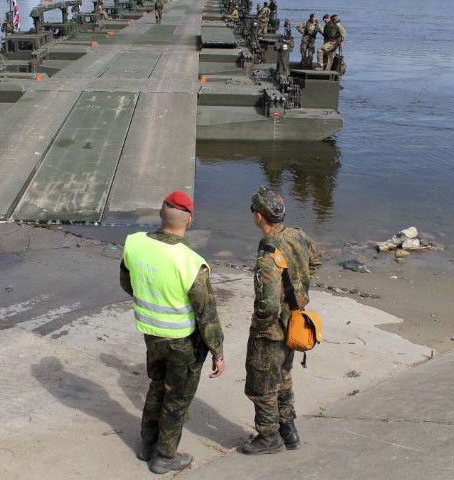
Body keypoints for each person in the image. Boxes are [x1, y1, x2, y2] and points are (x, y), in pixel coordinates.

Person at [120, 191, 226, 474]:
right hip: (182, 342)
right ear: (189, 221)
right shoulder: (191, 262)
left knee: (157, 385)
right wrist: (217, 351)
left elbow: (127, 282)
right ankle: (165, 457)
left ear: (160, 213)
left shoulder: (135, 243)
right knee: (177, 398)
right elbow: (206, 314)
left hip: (151, 334)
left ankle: (147, 444)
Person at [242, 186, 322, 455]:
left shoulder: (268, 253)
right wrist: (299, 291)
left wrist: (261, 327)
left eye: (253, 210)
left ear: (259, 216)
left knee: (262, 384)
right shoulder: (297, 235)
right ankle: (289, 430)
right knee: (283, 376)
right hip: (295, 321)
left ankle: (268, 437)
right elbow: (315, 260)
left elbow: (267, 303)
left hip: (273, 331)